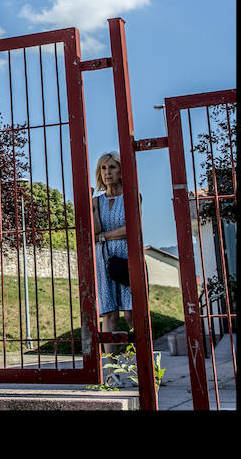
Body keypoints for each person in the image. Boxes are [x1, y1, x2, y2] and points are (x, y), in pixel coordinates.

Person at [92, 151, 133, 354]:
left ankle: (145, 365)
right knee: (109, 315)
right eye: (103, 168)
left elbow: (131, 229)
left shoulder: (132, 196)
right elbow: (95, 231)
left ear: (120, 170)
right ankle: (111, 372)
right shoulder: (97, 201)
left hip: (127, 258)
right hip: (104, 261)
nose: (107, 172)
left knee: (131, 314)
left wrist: (103, 237)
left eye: (112, 167)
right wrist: (93, 209)